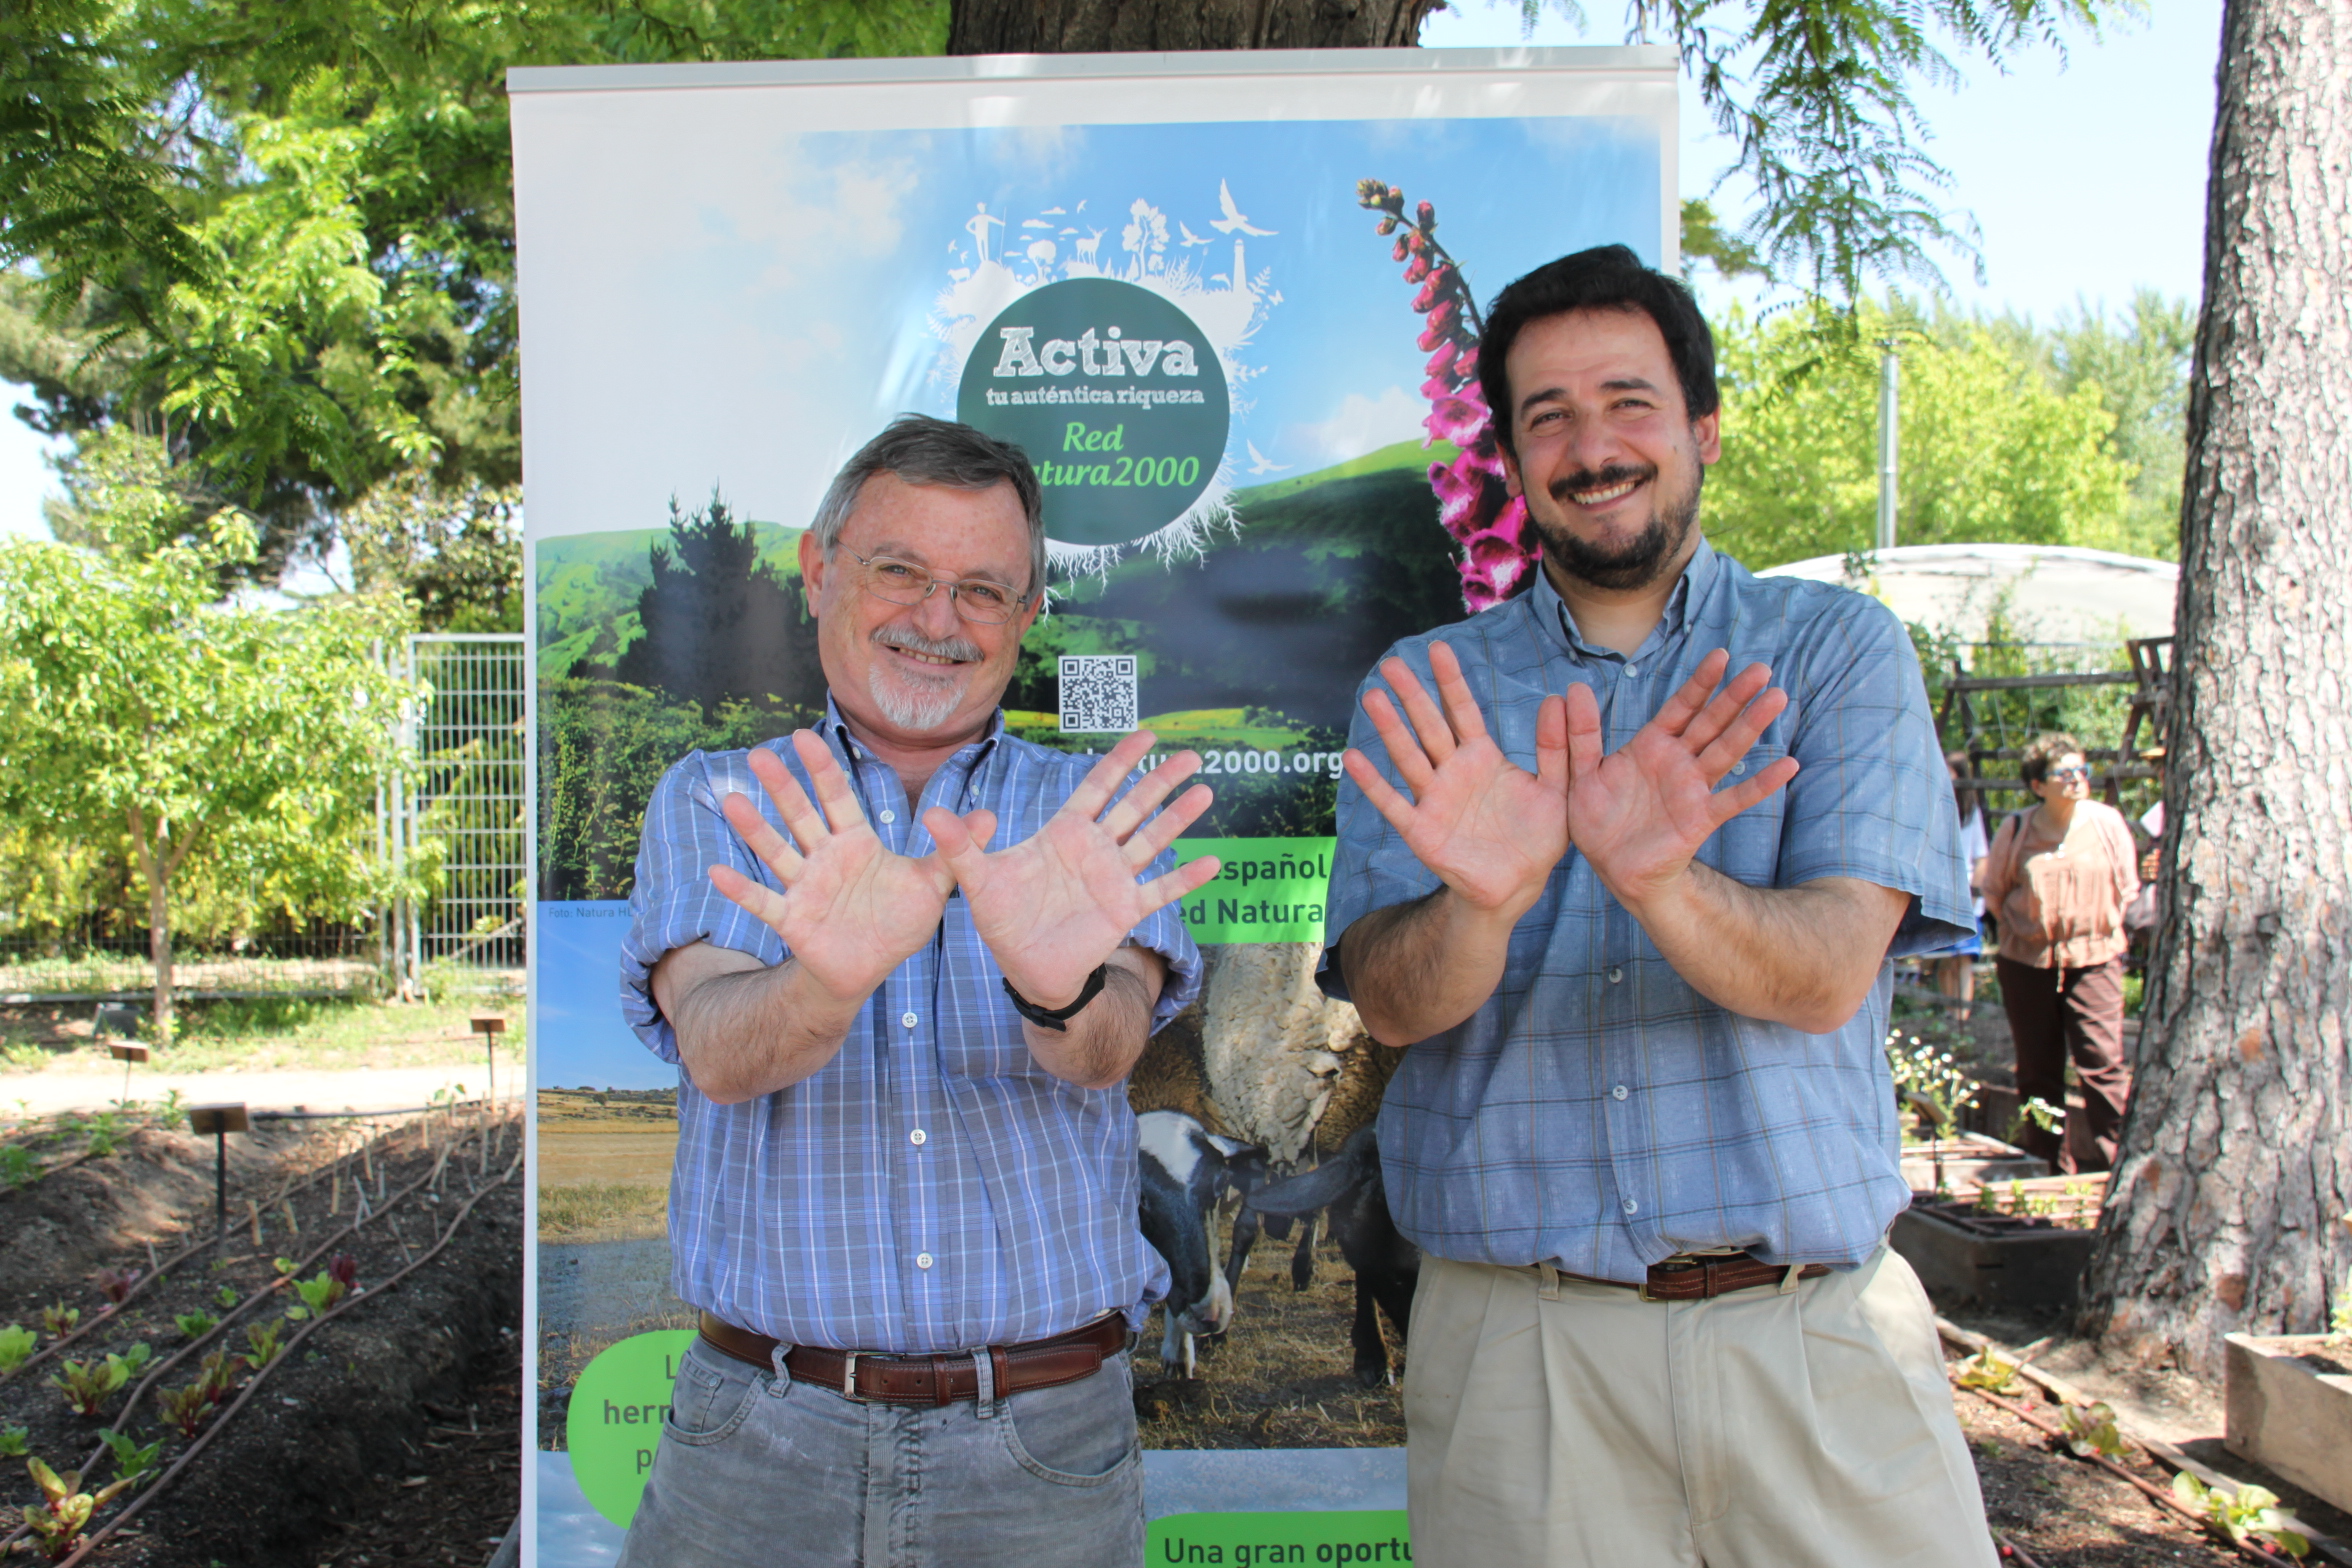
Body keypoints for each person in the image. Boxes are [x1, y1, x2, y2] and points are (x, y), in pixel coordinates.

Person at [1319, 245, 1993, 1568]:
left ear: (1702, 429)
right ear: (1510, 460)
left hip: (1813, 1346)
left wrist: (1662, 881)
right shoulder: (1425, 685)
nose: (1592, 445)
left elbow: (1826, 977)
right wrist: (1479, 905)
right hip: (1526, 1365)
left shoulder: (1835, 650)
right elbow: (1391, 1005)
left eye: (1628, 402)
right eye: (1546, 416)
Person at [613, 415, 1220, 1568]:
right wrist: (826, 979)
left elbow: (1108, 1050)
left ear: (1027, 614)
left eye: (983, 588)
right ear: (818, 568)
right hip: (757, 1442)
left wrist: (1056, 993)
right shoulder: (716, 800)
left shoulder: (1093, 811)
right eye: (900, 570)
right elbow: (722, 1051)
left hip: (1046, 1451)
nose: (938, 620)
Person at [1977, 732, 2139, 1173]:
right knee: (2036, 1069)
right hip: (2027, 961)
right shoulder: (2017, 829)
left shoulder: (2107, 824)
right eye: (2062, 773)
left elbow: (2127, 887)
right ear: (2037, 785)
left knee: (2102, 1062)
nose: (2075, 779)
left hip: (2096, 958)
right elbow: (1995, 891)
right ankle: (2044, 1162)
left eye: (2081, 770)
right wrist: (2025, 931)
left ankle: (2113, 1165)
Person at [1927, 751, 1991, 1020]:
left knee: (1963, 958)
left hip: (1965, 893)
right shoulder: (1930, 806)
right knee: (1943, 959)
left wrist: (1975, 898)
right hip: (1936, 892)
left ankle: (1962, 1014)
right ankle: (1950, 1012)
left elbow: (1981, 856)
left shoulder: (1971, 813)